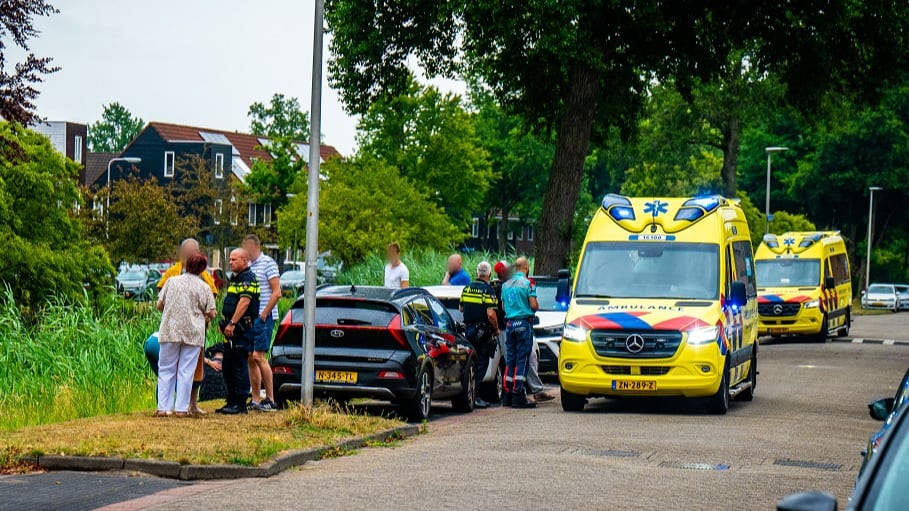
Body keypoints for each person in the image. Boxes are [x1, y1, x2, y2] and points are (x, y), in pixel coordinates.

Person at [157, 238, 219, 415]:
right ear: (201, 268)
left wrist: (171, 312)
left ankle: (163, 407)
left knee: (166, 368)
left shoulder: (171, 281)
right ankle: (182, 408)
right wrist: (204, 316)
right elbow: (212, 312)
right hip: (193, 333)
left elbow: (159, 305)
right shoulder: (204, 287)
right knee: (186, 371)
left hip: (170, 330)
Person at [217, 248, 261, 415]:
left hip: (241, 328)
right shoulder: (236, 278)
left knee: (239, 364)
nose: (230, 262)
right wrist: (225, 322)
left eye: (234, 259)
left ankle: (240, 403)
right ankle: (231, 400)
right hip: (232, 328)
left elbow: (244, 302)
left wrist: (233, 323)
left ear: (245, 261)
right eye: (230, 259)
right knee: (228, 364)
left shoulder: (247, 278)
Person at [241, 235, 280, 412]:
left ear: (255, 246)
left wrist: (264, 313)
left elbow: (276, 292)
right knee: (250, 357)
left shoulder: (268, 263)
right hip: (251, 318)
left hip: (264, 316)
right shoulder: (248, 266)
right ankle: (255, 398)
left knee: (259, 356)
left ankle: (271, 399)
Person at [459, 261, 500, 409]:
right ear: (489, 275)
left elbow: (461, 308)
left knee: (471, 362)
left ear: (477, 273)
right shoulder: (488, 290)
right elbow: (491, 314)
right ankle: (475, 395)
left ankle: (470, 393)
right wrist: (496, 329)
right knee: (482, 362)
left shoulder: (467, 288)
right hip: (482, 332)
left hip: (468, 331)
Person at [501, 257, 538, 409]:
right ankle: (518, 394)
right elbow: (533, 305)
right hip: (523, 323)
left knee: (511, 359)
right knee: (522, 359)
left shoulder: (505, 285)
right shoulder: (528, 283)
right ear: (526, 267)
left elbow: (503, 307)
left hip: (509, 324)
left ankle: (507, 394)